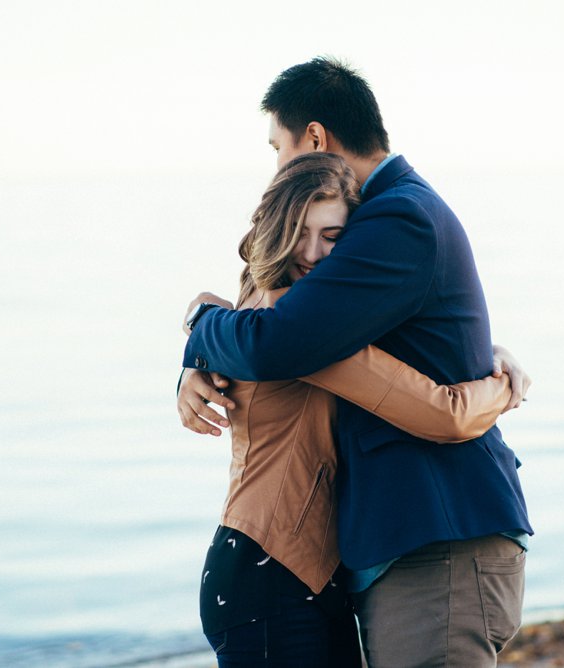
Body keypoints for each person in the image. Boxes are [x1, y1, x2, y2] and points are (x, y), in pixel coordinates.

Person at [180, 57, 533, 667]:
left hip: (436, 535)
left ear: (314, 138)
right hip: (362, 552)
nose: (315, 251)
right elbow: (283, 339)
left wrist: (200, 328)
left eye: (276, 147)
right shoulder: (357, 234)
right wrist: (197, 333)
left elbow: (281, 343)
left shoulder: (395, 217)